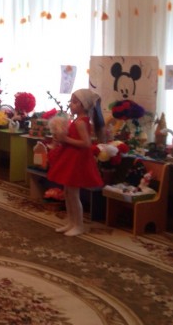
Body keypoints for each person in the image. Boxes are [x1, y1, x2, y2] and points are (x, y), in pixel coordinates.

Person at [47, 89, 105, 236]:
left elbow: (86, 143)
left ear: (83, 105)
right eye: (71, 101)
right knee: (67, 193)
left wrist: (65, 139)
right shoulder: (78, 120)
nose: (71, 105)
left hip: (77, 159)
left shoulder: (81, 122)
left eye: (74, 102)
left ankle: (78, 225)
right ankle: (71, 222)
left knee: (73, 194)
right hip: (71, 157)